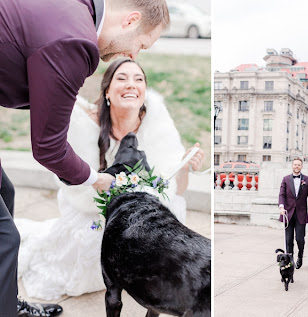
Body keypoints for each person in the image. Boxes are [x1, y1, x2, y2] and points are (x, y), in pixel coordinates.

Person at [0, 0, 170, 315]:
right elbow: (47, 148)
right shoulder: (76, 41)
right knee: (6, 237)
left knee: (4, 192)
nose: (134, 55)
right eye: (141, 44)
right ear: (131, 20)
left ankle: (5, 300)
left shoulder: (76, 9)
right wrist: (96, 179)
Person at [14, 58, 205, 301]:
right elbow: (77, 188)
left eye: (138, 79)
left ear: (144, 90)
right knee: (93, 240)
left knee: (173, 210)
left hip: (137, 208)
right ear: (107, 91)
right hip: (94, 208)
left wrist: (185, 168)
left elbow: (175, 191)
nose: (131, 85)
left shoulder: (156, 122)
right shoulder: (85, 123)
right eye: (122, 78)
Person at [278, 157, 308, 269]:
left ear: (302, 166)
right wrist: (281, 207)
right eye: (295, 164)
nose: (297, 166)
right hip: (287, 214)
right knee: (288, 240)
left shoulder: (307, 180)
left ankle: (300, 257)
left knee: (299, 238)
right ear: (292, 166)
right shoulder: (285, 179)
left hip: (301, 214)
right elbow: (282, 195)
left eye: (299, 165)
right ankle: (290, 260)